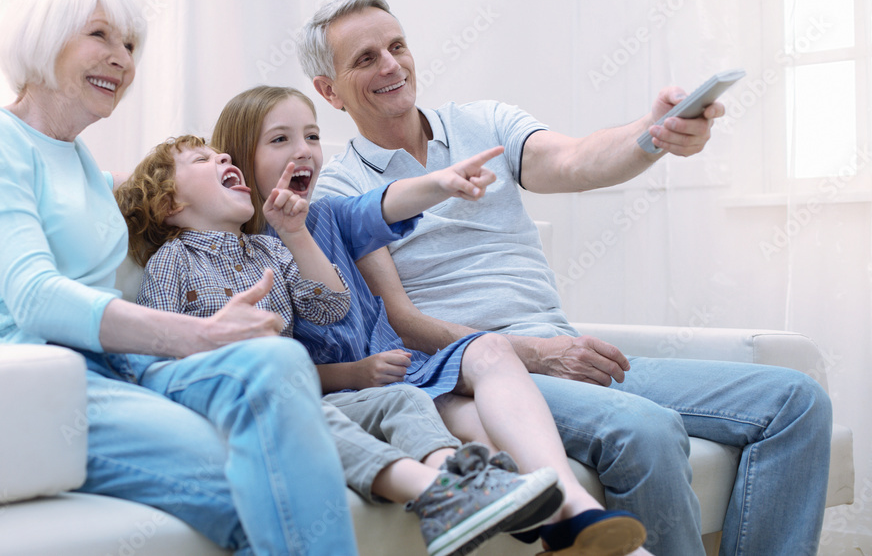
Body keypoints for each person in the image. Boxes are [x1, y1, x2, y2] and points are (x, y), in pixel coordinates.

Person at [297, 0, 835, 556]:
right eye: (364, 59)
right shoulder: (340, 192)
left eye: (397, 46)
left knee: (796, 402)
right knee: (644, 429)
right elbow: (402, 324)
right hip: (479, 374)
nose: (390, 65)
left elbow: (577, 159)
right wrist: (536, 353)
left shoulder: (485, 123)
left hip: (565, 347)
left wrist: (654, 134)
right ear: (329, 91)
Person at [0, 0, 359, 556]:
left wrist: (269, 177)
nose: (121, 59)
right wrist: (200, 334)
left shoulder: (79, 161)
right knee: (258, 486)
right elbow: (33, 295)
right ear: (42, 40)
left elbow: (176, 184)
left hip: (116, 367)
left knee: (275, 359)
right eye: (99, 36)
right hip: (31, 379)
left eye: (130, 45)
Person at [212, 85, 650, 556]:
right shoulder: (238, 256)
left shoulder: (330, 215)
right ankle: (558, 523)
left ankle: (574, 509)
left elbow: (384, 203)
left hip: (412, 373)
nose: (304, 151)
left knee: (491, 350)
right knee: (478, 430)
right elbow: (269, 367)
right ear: (239, 158)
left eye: (313, 137)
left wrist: (440, 183)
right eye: (280, 140)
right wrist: (353, 373)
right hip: (356, 394)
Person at [110, 133, 567, 556]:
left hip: (302, 393)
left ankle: (463, 480)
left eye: (220, 154)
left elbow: (330, 307)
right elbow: (159, 353)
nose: (222, 158)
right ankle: (441, 495)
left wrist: (294, 232)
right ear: (170, 202)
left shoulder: (268, 251)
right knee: (317, 417)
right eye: (202, 159)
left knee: (402, 397)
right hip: (240, 408)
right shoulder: (172, 261)